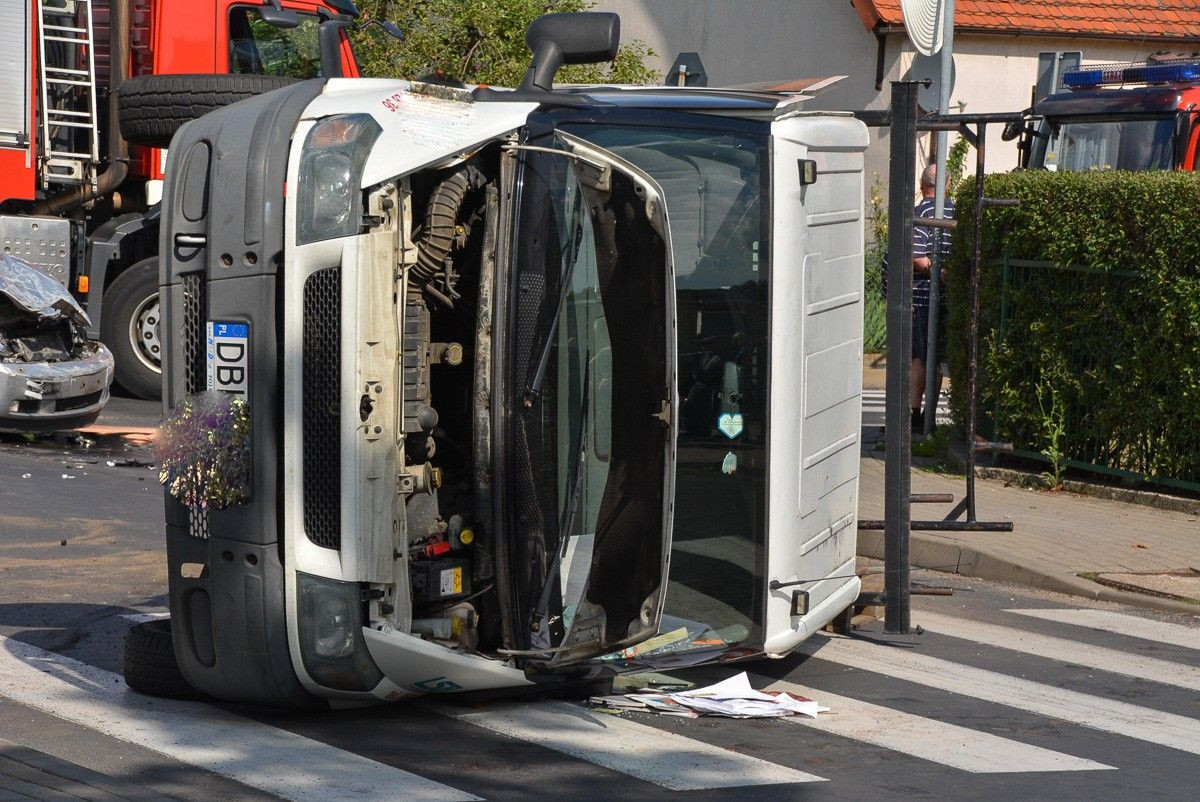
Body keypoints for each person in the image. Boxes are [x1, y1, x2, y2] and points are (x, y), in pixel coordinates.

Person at [910, 163, 953, 432]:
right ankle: (930, 417)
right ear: (947, 186)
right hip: (948, 299)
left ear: (921, 184)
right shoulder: (956, 212)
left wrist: (938, 272)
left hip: (922, 296)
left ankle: (914, 416)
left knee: (918, 358)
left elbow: (917, 257)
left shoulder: (919, 213)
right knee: (935, 359)